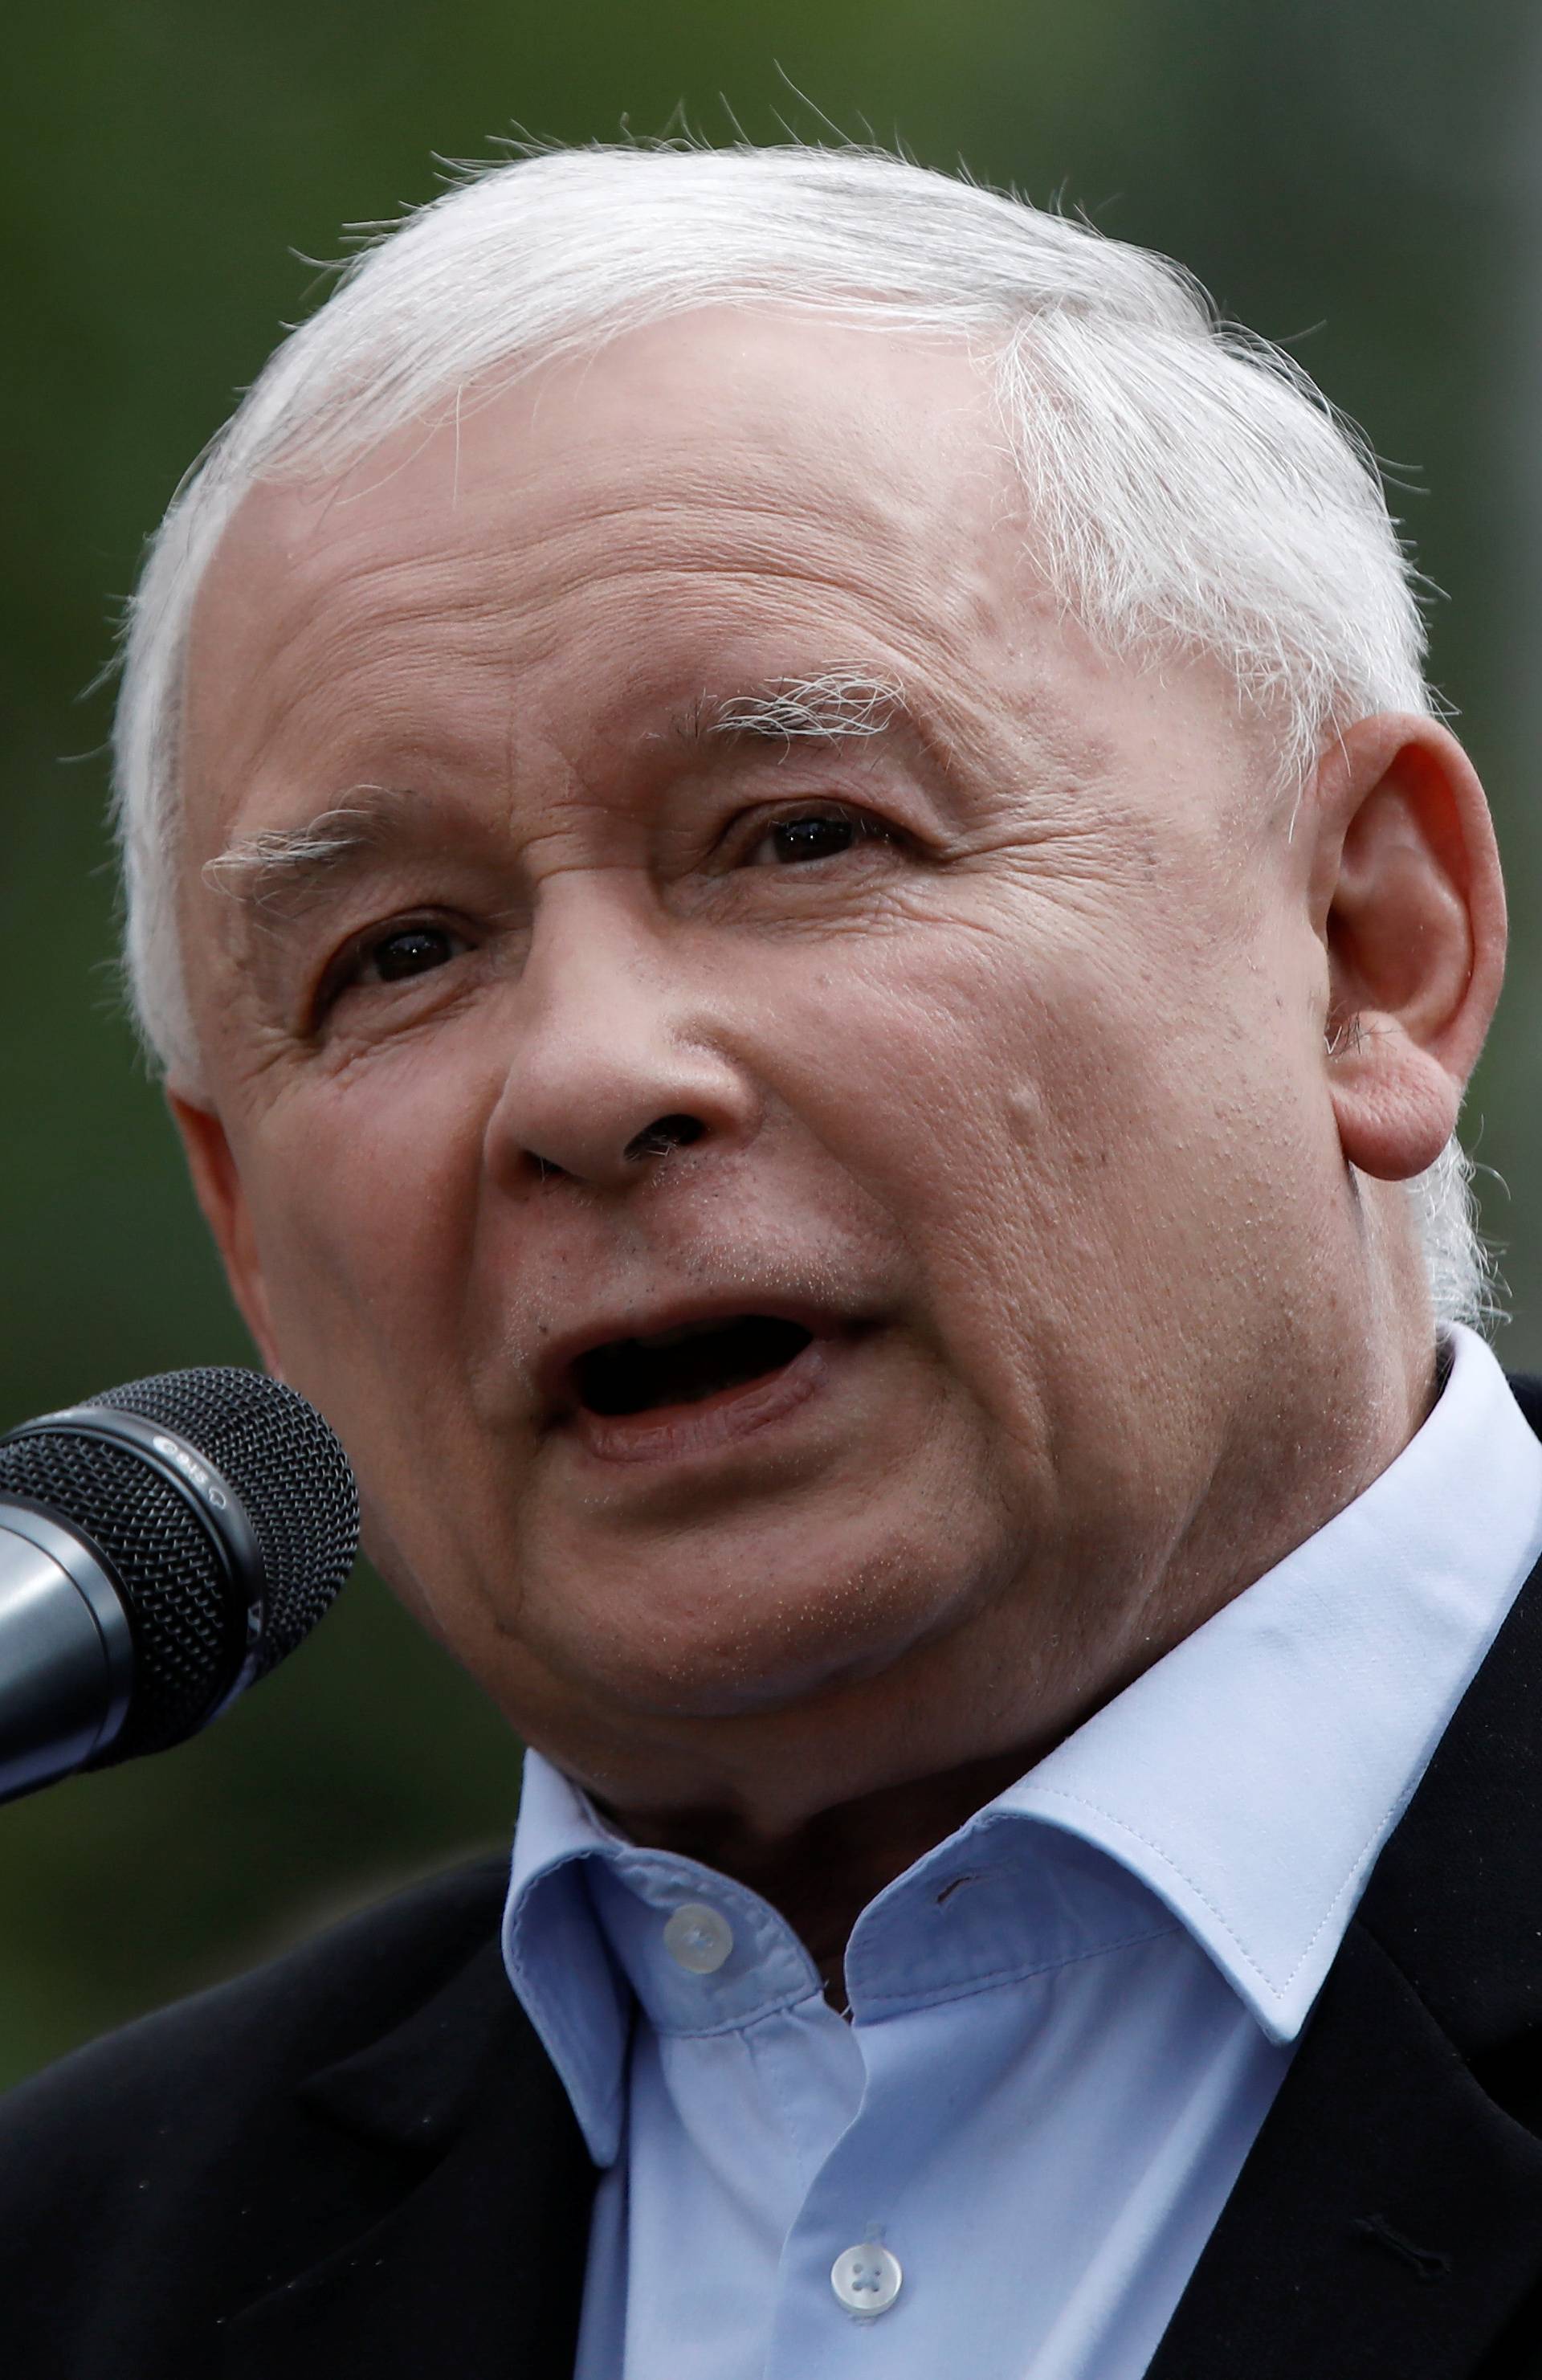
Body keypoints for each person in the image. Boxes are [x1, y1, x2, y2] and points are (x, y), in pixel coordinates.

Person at [2, 139, 1540, 2380]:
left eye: (807, 834)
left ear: (1369, 954)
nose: (588, 1076)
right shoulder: (77, 2276)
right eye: (400, 953)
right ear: (246, 1226)